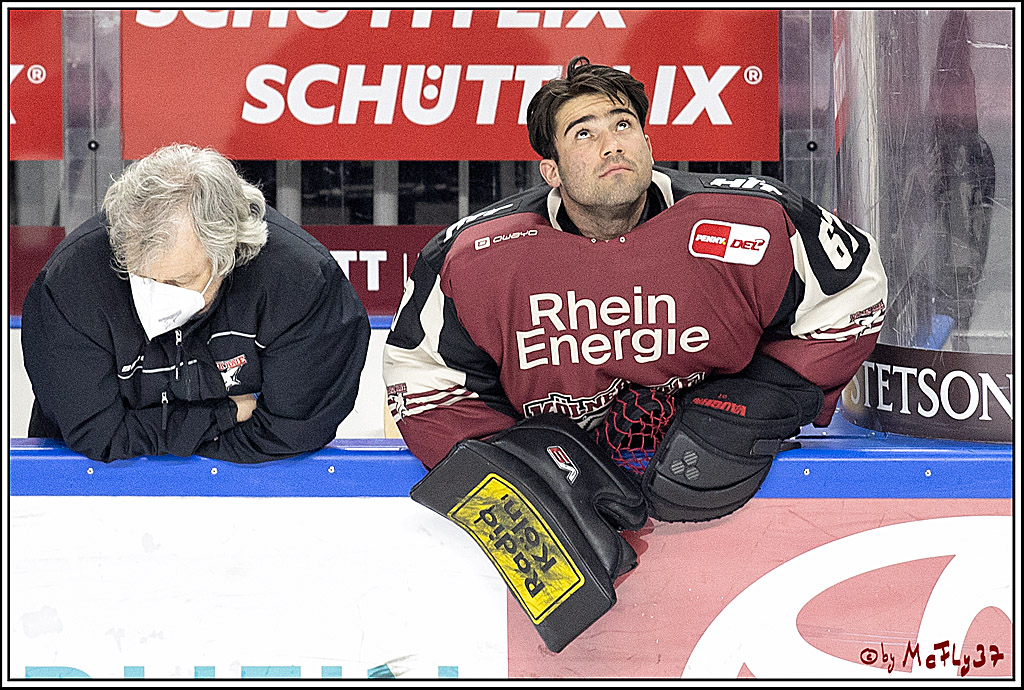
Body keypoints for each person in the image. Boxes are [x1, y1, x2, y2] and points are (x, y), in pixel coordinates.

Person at [385, 57, 887, 650]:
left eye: (623, 125)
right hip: (579, 518)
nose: (611, 144)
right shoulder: (477, 254)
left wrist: (759, 400)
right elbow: (420, 380)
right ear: (551, 170)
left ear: (648, 142)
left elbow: (854, 294)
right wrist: (520, 477)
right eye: (584, 133)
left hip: (748, 547)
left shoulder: (752, 218)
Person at [22, 144, 370, 463]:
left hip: (258, 495)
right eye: (141, 277)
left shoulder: (300, 282)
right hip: (85, 493)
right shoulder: (72, 281)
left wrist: (160, 435)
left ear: (228, 256)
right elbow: (98, 436)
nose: (156, 294)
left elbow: (292, 431)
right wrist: (225, 414)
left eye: (178, 281)